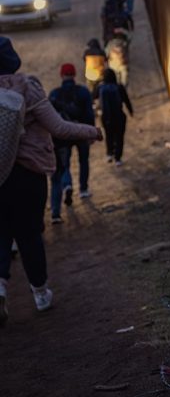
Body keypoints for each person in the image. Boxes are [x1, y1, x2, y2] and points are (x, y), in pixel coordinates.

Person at [0, 37, 103, 324]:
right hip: (28, 174)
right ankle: (40, 293)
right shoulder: (27, 89)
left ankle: (0, 287)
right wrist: (91, 132)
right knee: (30, 234)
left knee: (2, 233)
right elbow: (58, 127)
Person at [48, 63, 96, 223]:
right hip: (81, 132)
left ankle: (67, 184)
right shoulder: (82, 92)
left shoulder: (55, 94)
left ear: (62, 75)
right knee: (84, 161)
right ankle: (83, 189)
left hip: (63, 135)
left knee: (64, 164)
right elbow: (89, 114)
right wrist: (91, 132)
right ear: (74, 75)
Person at [95, 68, 133, 166]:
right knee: (119, 137)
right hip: (119, 116)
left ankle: (109, 153)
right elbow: (126, 100)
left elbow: (92, 96)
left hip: (106, 117)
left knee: (109, 135)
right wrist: (130, 111)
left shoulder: (100, 88)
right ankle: (118, 158)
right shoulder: (119, 87)